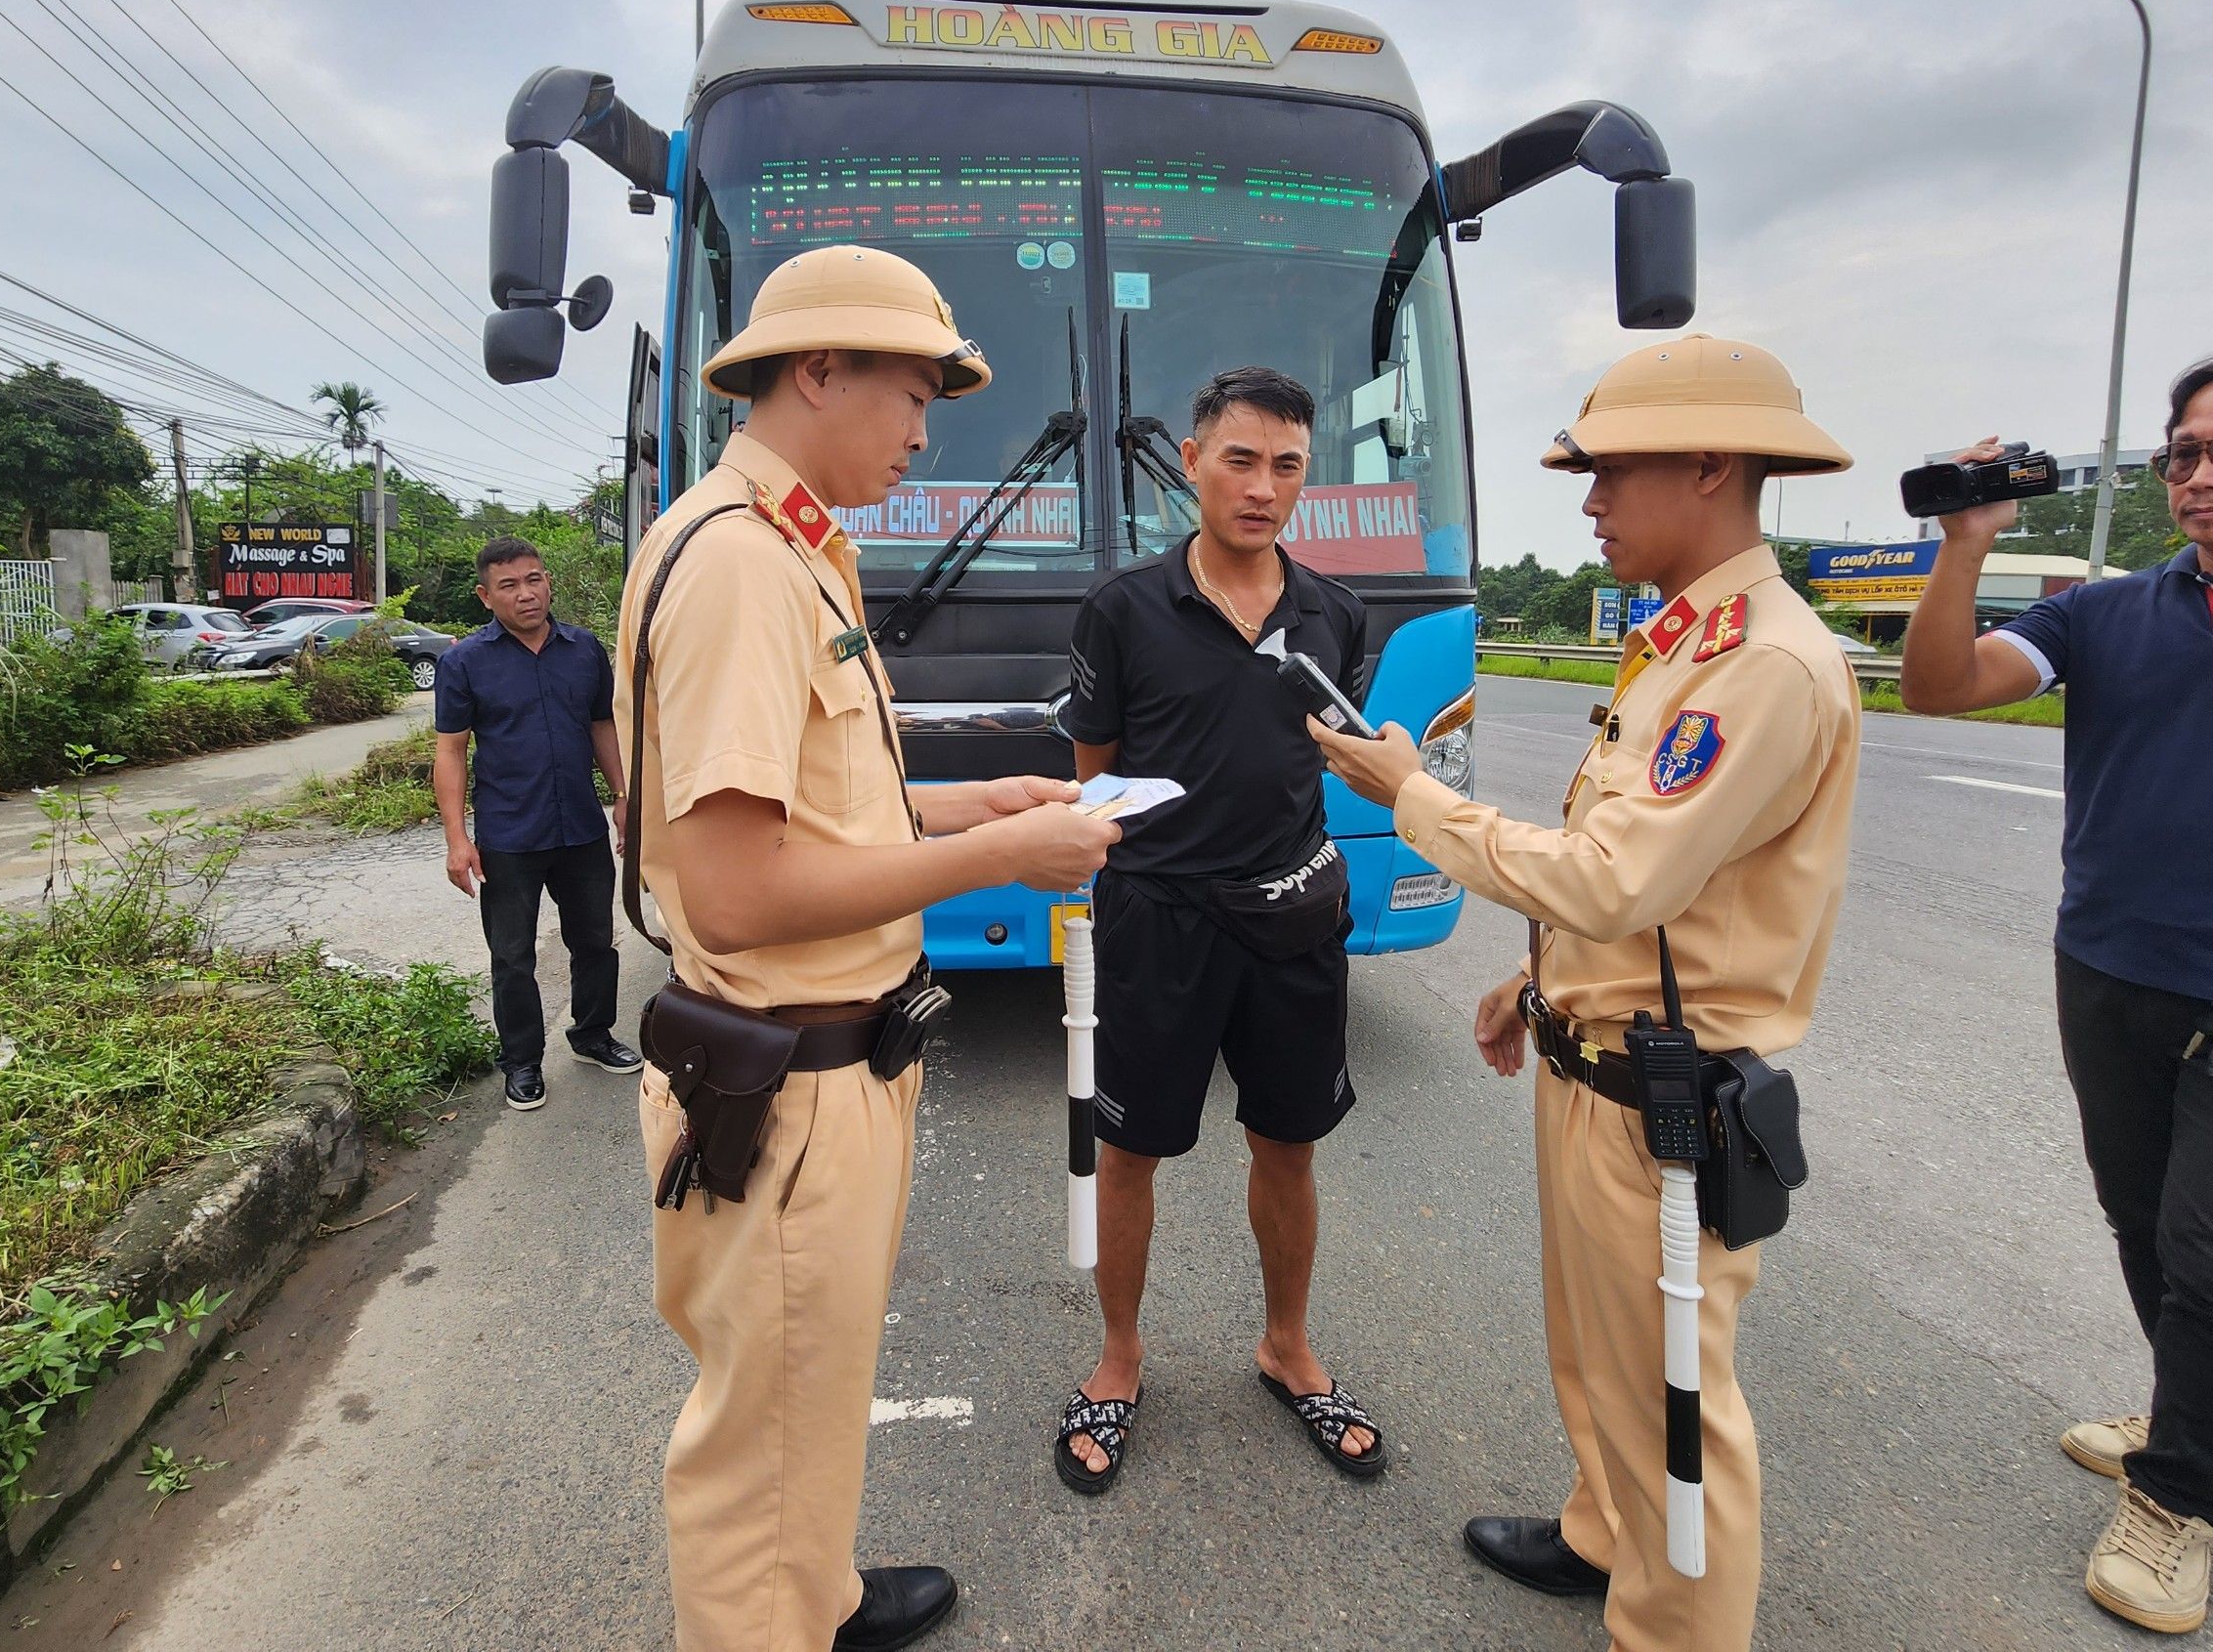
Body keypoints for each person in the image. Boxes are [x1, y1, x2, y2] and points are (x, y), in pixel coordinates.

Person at [1311, 335, 1859, 1652]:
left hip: (1663, 1102)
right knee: (1600, 1360)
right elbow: (1663, 899)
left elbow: (1616, 878)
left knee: (1676, 1403)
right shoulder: (1687, 640)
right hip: (1601, 1060)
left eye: (1610, 472)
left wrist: (1414, 796)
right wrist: (1527, 979)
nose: (1591, 501)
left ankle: (1671, 1625)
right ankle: (1602, 1537)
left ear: (1713, 465)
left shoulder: (1762, 666)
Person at [618, 244, 1120, 1652]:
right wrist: (1003, 860)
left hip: (828, 1068)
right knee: (757, 1439)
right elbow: (734, 894)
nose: (922, 430)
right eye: (912, 392)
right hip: (787, 1083)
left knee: (807, 1395)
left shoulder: (791, 550)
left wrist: (979, 803)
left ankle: (815, 1599)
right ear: (818, 368)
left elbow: (819, 799)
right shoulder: (741, 569)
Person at [1899, 356, 2213, 1635]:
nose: (2198, 475)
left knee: (2206, 1247)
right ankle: (2189, 1403)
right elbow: (1938, 684)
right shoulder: (2105, 614)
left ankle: (2178, 1495)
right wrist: (1964, 545)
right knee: (2138, 1218)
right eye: (2184, 452)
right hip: (2109, 971)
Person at [1052, 365, 1382, 1497]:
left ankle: (1286, 1346)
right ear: (1190, 463)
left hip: (1290, 919)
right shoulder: (1124, 607)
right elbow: (1093, 779)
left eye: (1287, 464)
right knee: (1128, 1150)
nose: (1262, 486)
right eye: (1239, 459)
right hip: (1157, 925)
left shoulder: (1336, 614)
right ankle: (1118, 1357)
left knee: (1287, 1144)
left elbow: (1335, 756)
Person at [433, 535, 640, 1108]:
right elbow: (451, 751)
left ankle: (592, 1034)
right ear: (485, 596)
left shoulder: (583, 650)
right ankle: (522, 1062)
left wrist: (623, 796)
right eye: (509, 586)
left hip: (578, 825)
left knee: (596, 940)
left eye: (534, 579)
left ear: (547, 581)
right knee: (512, 955)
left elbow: (603, 726)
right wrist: (457, 839)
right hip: (509, 834)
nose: (527, 594)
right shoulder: (464, 662)